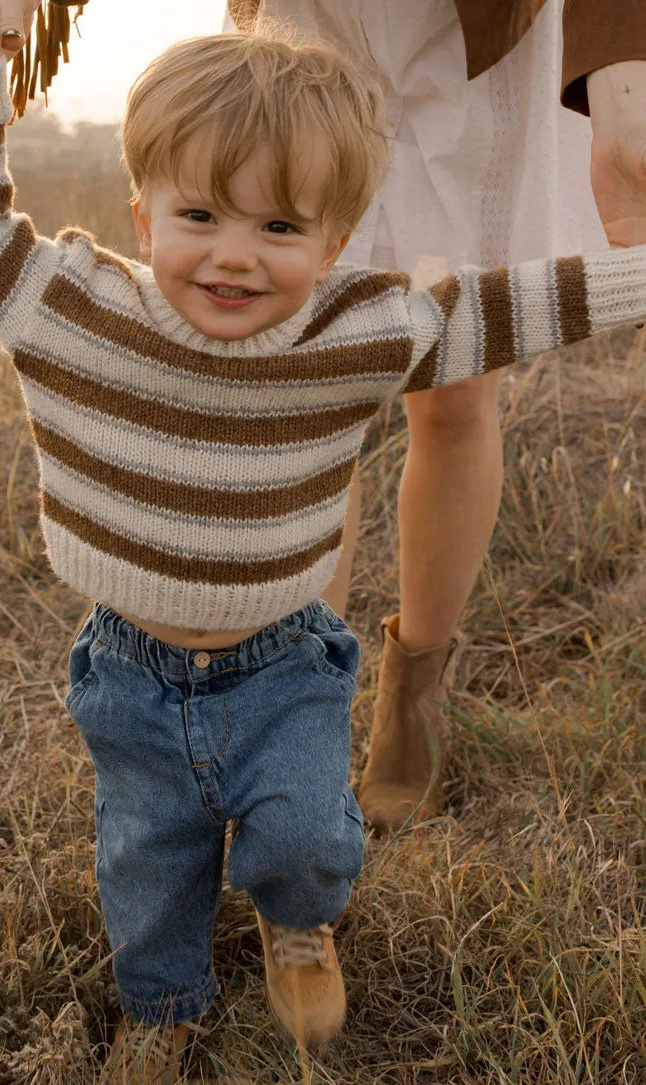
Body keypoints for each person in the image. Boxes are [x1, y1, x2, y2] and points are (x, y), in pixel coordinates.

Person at [0, 5, 646, 1085]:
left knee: (306, 831)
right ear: (139, 208)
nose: (230, 256)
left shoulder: (357, 329)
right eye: (199, 214)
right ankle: (158, 1012)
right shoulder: (75, 306)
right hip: (126, 669)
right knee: (146, 861)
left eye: (276, 231)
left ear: (338, 245)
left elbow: (521, 306)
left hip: (284, 666)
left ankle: (297, 919)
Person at [220, 0, 646, 831]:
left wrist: (625, 89)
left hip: (480, 37)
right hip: (312, 25)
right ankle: (298, 719)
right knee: (309, 383)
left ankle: (414, 699)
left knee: (456, 391)